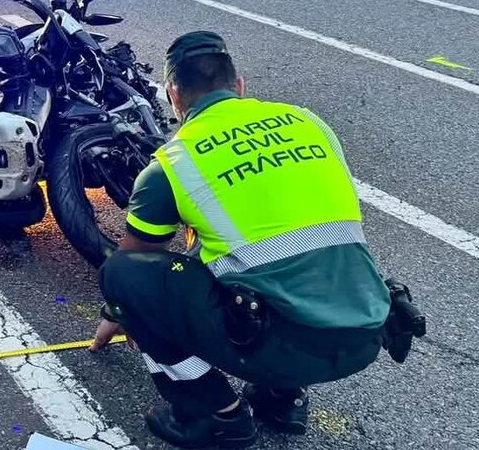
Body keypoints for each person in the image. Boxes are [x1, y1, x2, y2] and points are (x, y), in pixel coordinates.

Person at [89, 31, 392, 449]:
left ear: (174, 96)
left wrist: (118, 308)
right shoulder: (309, 123)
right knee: (267, 254)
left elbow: (136, 262)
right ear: (240, 86)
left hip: (287, 343)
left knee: (122, 273)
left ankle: (215, 415)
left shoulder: (174, 164)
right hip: (366, 327)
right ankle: (281, 399)